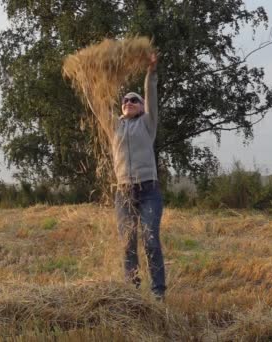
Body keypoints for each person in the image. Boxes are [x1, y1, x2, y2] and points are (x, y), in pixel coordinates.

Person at [111, 53, 166, 300]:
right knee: (128, 243)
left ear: (143, 106)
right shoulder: (115, 126)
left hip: (149, 191)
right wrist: (88, 79)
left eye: (135, 99)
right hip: (123, 191)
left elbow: (151, 94)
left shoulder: (148, 123)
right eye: (125, 100)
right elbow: (97, 105)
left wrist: (151, 72)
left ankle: (158, 293)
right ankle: (131, 293)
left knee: (150, 238)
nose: (129, 101)